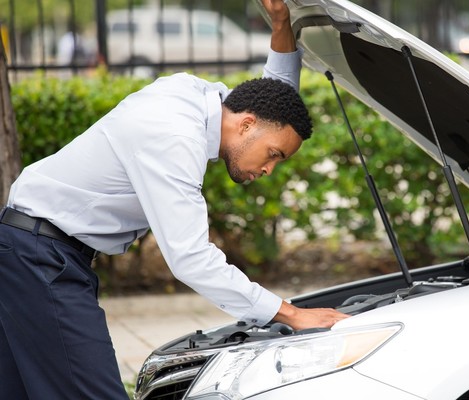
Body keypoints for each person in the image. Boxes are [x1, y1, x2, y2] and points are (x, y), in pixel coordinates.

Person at [0, 0, 349, 398]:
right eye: (274, 155)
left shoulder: (205, 101)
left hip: (29, 251)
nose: (269, 170)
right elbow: (191, 258)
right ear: (247, 123)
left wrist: (282, 24)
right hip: (40, 261)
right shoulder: (173, 137)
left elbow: (275, 102)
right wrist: (291, 314)